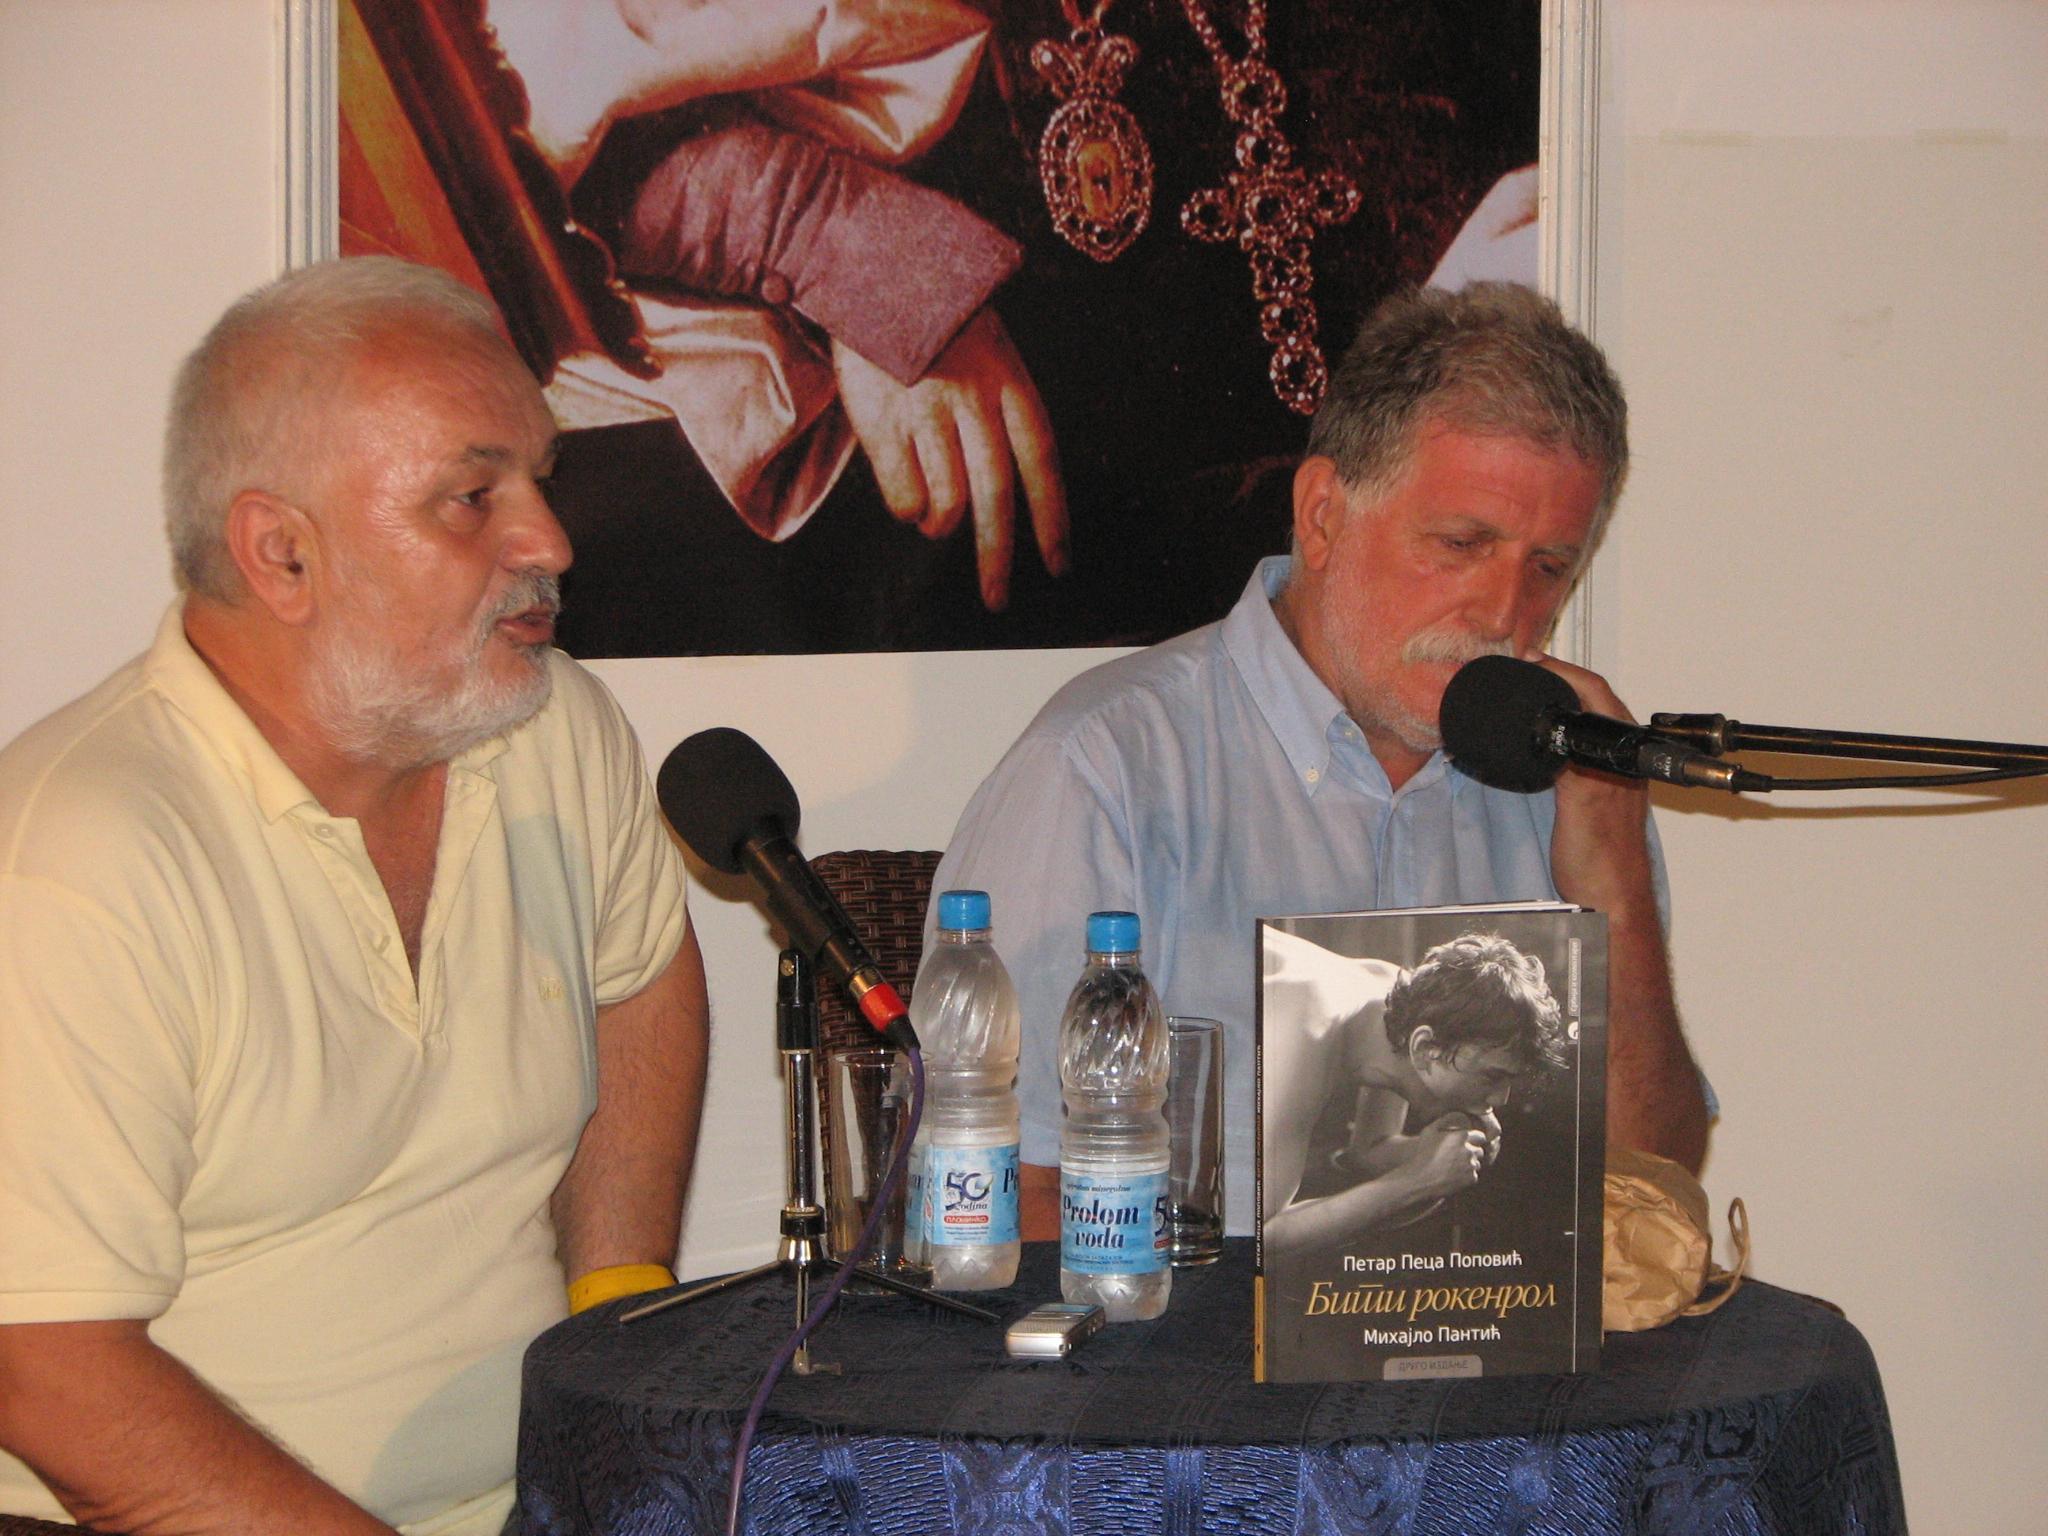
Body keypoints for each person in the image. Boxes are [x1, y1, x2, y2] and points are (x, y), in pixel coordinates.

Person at [0, 258, 709, 1534]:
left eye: (539, 479)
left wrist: (614, 1318)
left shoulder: (550, 728)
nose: (548, 542)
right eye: (471, 497)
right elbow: (44, 1366)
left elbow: (640, 976)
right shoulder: (79, 859)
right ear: (282, 554)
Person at [930, 282, 1711, 1239]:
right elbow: (1003, 1194)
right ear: (1323, 515)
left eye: (1548, 568)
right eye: (1463, 544)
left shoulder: (1570, 781)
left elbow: (1649, 1191)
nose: (1506, 614)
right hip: (1180, 1327)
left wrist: (1616, 886)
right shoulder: (1107, 766)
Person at [1260, 927, 1568, 1264]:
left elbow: (1368, 1150)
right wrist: (1417, 1181)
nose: (1500, 1100)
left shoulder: (1397, 1003)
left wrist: (1435, 1151)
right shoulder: (1303, 1034)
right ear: (1424, 1048)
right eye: (1492, 1076)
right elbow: (1258, 1237)